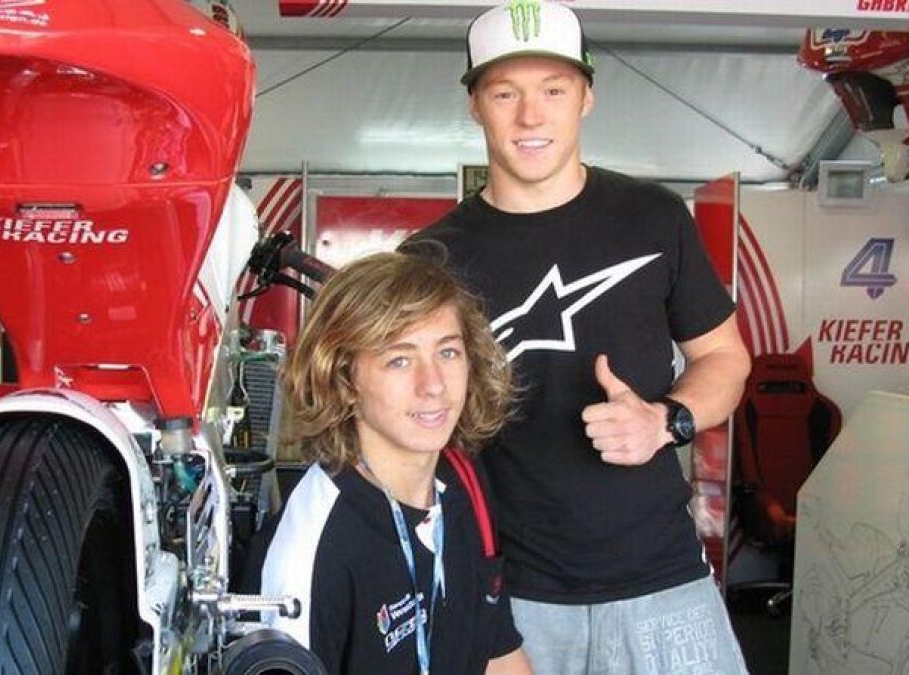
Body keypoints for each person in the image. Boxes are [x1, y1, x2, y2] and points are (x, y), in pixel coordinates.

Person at [398, 1, 753, 673]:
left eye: (552, 90)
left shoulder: (653, 218)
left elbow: (724, 357)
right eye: (506, 93)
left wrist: (665, 419)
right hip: (512, 594)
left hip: (664, 579)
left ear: (586, 97)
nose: (530, 117)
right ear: (476, 104)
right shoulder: (428, 260)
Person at [243, 252, 533, 674]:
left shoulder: (463, 481)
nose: (433, 384)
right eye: (399, 359)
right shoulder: (311, 550)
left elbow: (498, 652)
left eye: (448, 353)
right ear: (343, 381)